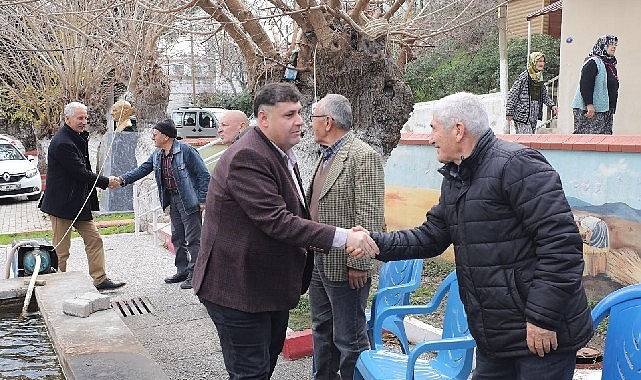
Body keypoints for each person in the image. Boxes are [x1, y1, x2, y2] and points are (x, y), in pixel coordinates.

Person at [349, 92, 593, 380]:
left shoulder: (518, 165)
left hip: (539, 336)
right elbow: (431, 236)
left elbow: (562, 245)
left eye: (434, 128)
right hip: (495, 336)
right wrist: (374, 243)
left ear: (458, 130)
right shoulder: (457, 176)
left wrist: (541, 317)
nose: (430, 138)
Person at [192, 82, 376, 380]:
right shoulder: (247, 156)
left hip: (265, 287)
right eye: (289, 114)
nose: (300, 121)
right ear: (263, 119)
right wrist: (344, 238)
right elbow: (278, 221)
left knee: (263, 365)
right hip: (238, 290)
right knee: (251, 372)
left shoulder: (277, 152)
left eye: (301, 113)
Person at [307, 94, 385, 380]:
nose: (309, 124)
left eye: (313, 118)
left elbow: (370, 215)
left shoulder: (363, 156)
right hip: (319, 260)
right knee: (321, 330)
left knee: (350, 340)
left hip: (346, 265)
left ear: (328, 122)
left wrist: (360, 265)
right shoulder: (326, 155)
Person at [114, 119, 210, 289]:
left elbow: (204, 175)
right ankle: (182, 270)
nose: (152, 138)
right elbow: (142, 169)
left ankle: (196, 274)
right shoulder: (157, 154)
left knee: (193, 239)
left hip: (188, 199)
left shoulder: (187, 151)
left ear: (165, 136)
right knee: (178, 236)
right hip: (172, 199)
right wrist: (122, 180)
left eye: (155, 134)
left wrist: (203, 200)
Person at [39, 102, 126, 291]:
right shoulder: (62, 142)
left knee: (94, 239)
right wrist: (105, 181)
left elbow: (83, 171)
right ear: (67, 119)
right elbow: (80, 172)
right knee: (61, 250)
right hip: (62, 205)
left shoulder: (76, 137)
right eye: (80, 118)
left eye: (85, 118)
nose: (84, 122)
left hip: (79, 203)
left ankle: (100, 279)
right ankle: (56, 284)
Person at [572, 35, 619, 134]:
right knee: (588, 139)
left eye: (615, 44)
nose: (614, 47)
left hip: (605, 109)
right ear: (602, 45)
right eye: (610, 44)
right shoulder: (593, 62)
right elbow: (585, 84)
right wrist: (589, 104)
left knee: (604, 140)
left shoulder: (610, 64)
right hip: (590, 109)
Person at [506, 52, 558, 134]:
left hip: (534, 112)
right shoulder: (524, 77)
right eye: (539, 61)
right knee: (526, 137)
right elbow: (513, 94)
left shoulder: (539, 77)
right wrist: (509, 111)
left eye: (543, 61)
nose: (541, 63)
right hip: (522, 114)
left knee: (530, 138)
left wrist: (552, 105)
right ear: (533, 62)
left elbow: (544, 95)